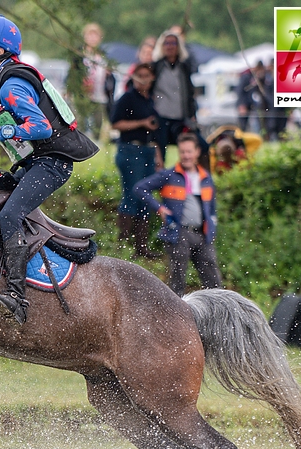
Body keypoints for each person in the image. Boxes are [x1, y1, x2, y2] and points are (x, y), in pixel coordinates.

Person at [0, 15, 98, 325]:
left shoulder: (10, 83)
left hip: (53, 163)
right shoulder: (0, 79)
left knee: (10, 214)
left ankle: (18, 299)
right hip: (37, 161)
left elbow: (40, 127)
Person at [132, 133, 222, 296]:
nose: (186, 156)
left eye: (189, 152)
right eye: (182, 152)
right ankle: (176, 317)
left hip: (202, 234)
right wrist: (159, 208)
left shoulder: (206, 177)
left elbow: (212, 209)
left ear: (197, 152)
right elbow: (140, 188)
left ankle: (220, 314)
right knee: (177, 279)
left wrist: (212, 230)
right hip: (178, 233)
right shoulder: (169, 175)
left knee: (213, 280)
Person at [111, 62, 163, 259]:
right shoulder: (127, 98)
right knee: (132, 195)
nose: (143, 79)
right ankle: (123, 245)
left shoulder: (150, 100)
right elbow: (116, 123)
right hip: (130, 149)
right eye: (139, 75)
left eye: (146, 75)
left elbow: (154, 130)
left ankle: (141, 247)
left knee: (145, 197)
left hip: (147, 150)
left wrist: (157, 155)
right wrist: (141, 123)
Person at [151, 29, 207, 166]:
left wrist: (192, 114)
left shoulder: (184, 67)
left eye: (173, 43)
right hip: (160, 117)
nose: (170, 46)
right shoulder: (156, 66)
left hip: (180, 119)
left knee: (201, 146)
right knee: (159, 154)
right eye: (167, 43)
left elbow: (189, 93)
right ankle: (161, 182)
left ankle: (199, 180)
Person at [80, 23, 114, 138]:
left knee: (98, 123)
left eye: (95, 35)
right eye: (90, 35)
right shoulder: (79, 55)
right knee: (80, 122)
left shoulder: (103, 57)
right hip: (82, 95)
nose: (93, 38)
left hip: (99, 95)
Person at [235, 61, 268, 135]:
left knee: (257, 123)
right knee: (242, 124)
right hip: (244, 103)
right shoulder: (246, 76)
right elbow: (239, 91)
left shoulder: (256, 77)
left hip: (253, 104)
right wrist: (242, 105)